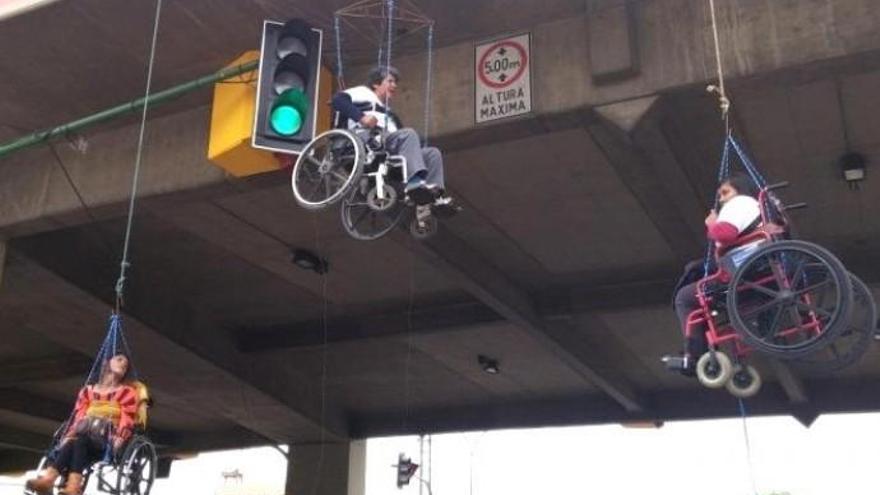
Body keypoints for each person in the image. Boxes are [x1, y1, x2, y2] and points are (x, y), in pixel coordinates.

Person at [663, 174, 765, 375]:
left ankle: (696, 355)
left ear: (740, 190)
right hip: (754, 266)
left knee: (684, 297)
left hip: (740, 270)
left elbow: (724, 234)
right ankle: (711, 351)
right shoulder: (758, 208)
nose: (722, 199)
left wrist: (712, 222)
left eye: (725, 192)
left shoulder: (739, 203)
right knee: (696, 272)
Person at [331, 66, 453, 211]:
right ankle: (415, 183)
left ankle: (434, 197)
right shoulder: (363, 92)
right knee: (408, 134)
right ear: (376, 84)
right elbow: (338, 100)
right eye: (390, 81)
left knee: (432, 153)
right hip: (367, 139)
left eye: (395, 83)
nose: (394, 86)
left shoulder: (389, 113)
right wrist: (362, 117)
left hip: (388, 147)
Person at [26, 353, 141, 495]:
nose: (124, 364)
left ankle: (52, 480)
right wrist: (69, 434)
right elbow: (79, 416)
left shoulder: (128, 392)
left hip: (107, 439)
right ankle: (63, 485)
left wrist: (121, 437)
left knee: (78, 440)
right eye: (119, 359)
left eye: (126, 365)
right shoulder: (87, 391)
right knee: (75, 441)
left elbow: (127, 418)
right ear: (106, 362)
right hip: (83, 435)